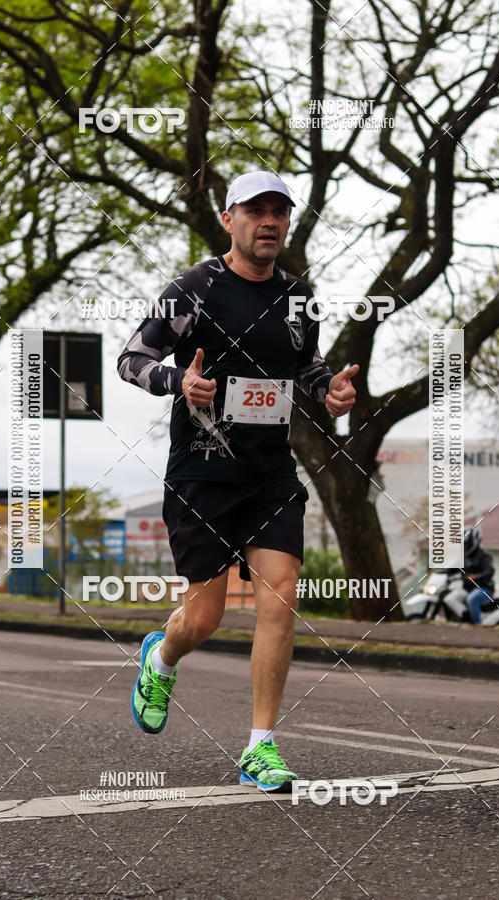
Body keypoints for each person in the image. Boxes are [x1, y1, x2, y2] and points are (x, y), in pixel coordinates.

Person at [117, 169, 358, 791]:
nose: (269, 221)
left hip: (268, 472)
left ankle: (260, 746)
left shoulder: (300, 297)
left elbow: (306, 368)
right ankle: (161, 657)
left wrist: (329, 393)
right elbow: (131, 359)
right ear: (229, 219)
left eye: (279, 211)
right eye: (255, 211)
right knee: (204, 619)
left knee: (282, 593)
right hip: (201, 473)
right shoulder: (193, 290)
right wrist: (179, 383)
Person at [448, 526, 495, 624]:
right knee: (451, 597)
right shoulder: (463, 558)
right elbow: (453, 569)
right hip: (468, 589)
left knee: (472, 599)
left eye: (466, 543)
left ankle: (477, 625)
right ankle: (461, 621)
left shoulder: (484, 556)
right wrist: (439, 571)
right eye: (462, 543)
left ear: (473, 542)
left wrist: (476, 576)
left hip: (484, 589)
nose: (463, 546)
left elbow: (489, 572)